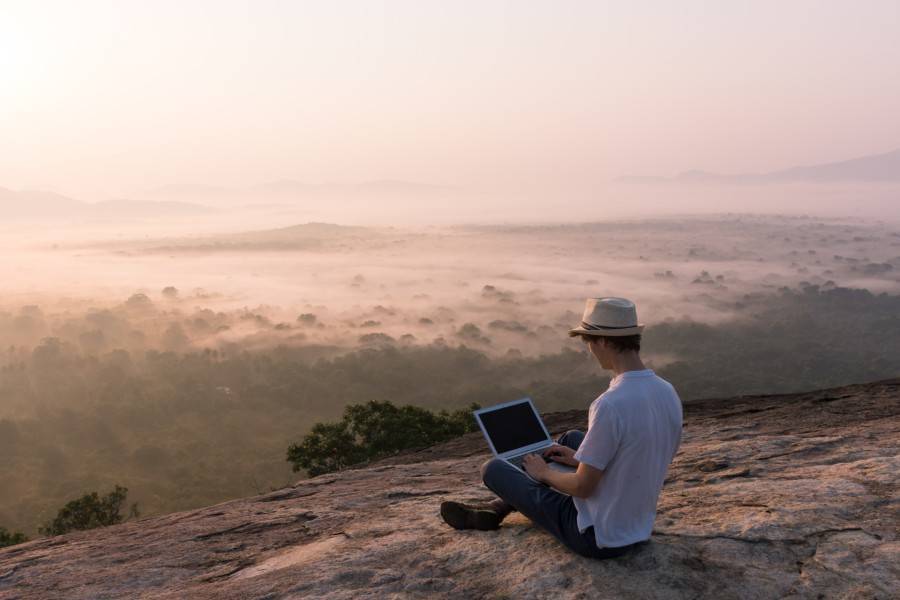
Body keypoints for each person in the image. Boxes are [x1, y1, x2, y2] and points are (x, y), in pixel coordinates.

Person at [440, 297, 683, 559]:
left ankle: (499, 505)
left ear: (601, 341)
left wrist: (544, 473)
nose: (589, 350)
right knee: (571, 439)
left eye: (587, 342)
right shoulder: (666, 391)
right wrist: (579, 460)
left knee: (494, 468)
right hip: (637, 525)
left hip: (596, 535)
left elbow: (582, 488)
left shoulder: (610, 404)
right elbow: (641, 458)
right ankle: (498, 507)